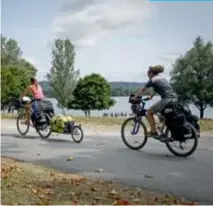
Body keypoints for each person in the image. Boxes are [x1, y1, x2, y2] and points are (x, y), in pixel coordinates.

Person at [132, 65, 176, 137]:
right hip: (174, 99)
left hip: (166, 100)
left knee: (149, 112)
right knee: (163, 115)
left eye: (148, 73)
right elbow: (157, 88)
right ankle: (161, 131)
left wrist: (135, 97)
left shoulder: (152, 80)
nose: (148, 75)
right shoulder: (162, 78)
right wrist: (151, 96)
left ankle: (153, 132)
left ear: (151, 73)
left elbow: (143, 89)